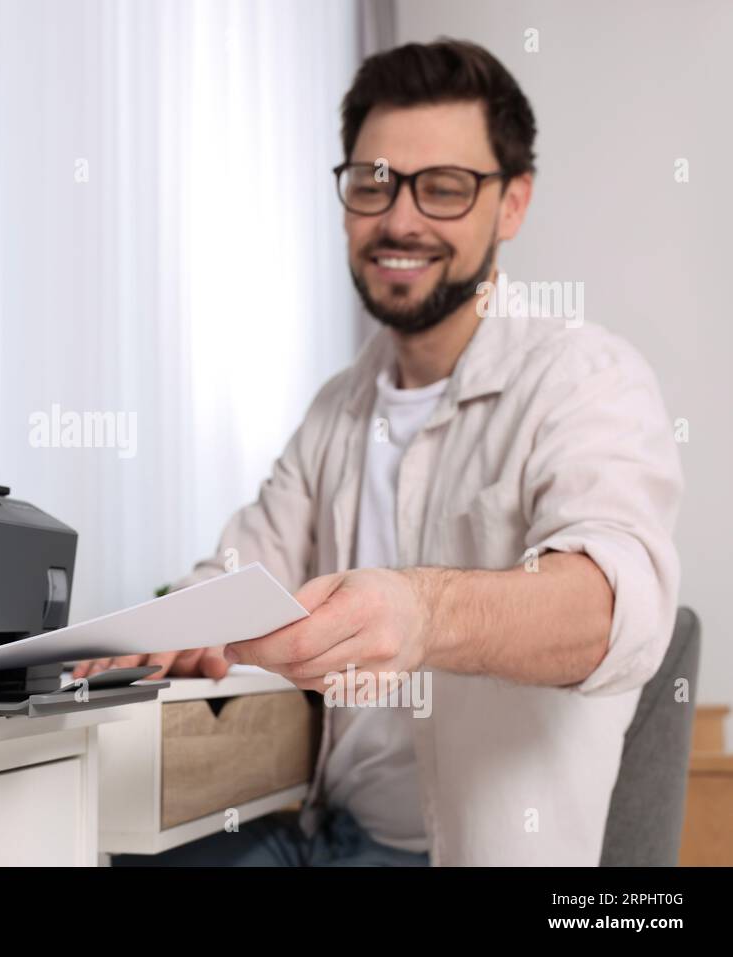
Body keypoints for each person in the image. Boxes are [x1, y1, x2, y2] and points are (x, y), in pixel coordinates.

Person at [76, 38, 682, 866]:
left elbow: (620, 609)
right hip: (319, 828)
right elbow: (241, 565)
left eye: (443, 188)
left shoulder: (587, 378)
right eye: (373, 183)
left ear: (512, 204)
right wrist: (168, 624)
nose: (399, 220)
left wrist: (426, 612)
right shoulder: (336, 409)